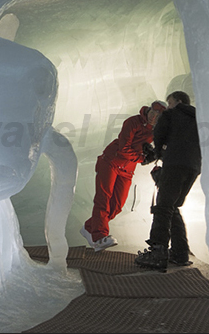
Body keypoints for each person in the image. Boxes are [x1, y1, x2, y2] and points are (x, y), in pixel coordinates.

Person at [80, 100, 168, 251]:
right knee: (104, 198)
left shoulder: (156, 130)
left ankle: (89, 227)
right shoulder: (133, 122)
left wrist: (156, 153)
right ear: (148, 110)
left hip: (127, 169)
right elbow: (123, 148)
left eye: (158, 116)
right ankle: (99, 237)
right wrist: (142, 158)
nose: (153, 117)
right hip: (111, 162)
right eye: (153, 113)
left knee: (117, 206)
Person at [135, 91, 202, 270]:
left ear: (178, 101)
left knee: (163, 207)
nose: (168, 105)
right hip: (194, 167)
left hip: (174, 166)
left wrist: (155, 153)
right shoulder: (199, 118)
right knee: (173, 207)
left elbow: (160, 135)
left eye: (169, 102)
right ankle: (180, 253)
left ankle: (157, 253)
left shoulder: (171, 115)